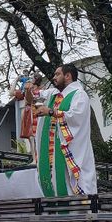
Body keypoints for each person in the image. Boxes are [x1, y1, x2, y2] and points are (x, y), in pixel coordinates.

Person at [31, 64, 97, 196]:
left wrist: (50, 112)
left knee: (68, 184)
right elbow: (33, 96)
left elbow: (76, 116)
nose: (53, 77)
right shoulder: (54, 94)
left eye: (57, 74)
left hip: (68, 149)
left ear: (67, 76)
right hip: (51, 149)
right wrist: (28, 89)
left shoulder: (79, 94)